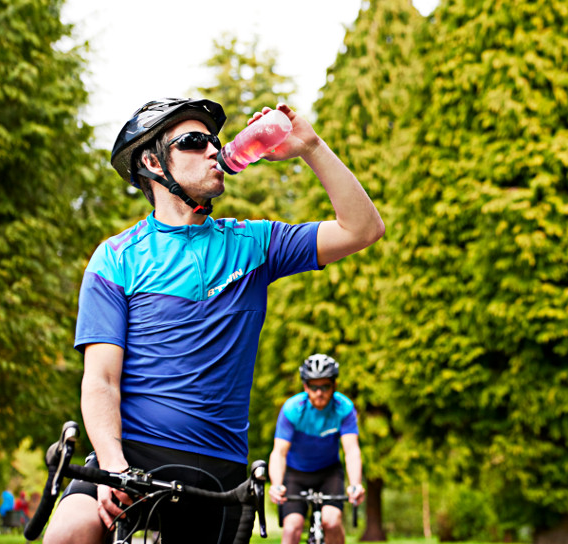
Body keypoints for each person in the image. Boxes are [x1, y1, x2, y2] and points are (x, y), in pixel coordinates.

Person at [42, 98, 384, 544]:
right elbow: (101, 380)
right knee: (69, 531)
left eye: (215, 141)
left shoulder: (255, 243)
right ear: (151, 161)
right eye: (193, 141)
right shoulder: (115, 258)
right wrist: (111, 466)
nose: (212, 150)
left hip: (219, 469)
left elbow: (363, 229)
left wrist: (311, 146)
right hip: (130, 454)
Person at [268, 354, 365, 544]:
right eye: (313, 387)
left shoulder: (344, 409)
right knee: (292, 527)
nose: (319, 392)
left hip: (329, 473)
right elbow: (279, 452)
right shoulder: (292, 409)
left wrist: (355, 484)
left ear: (334, 386)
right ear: (305, 387)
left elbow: (352, 451)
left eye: (325, 386)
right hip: (296, 474)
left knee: (332, 522)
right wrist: (276, 484)